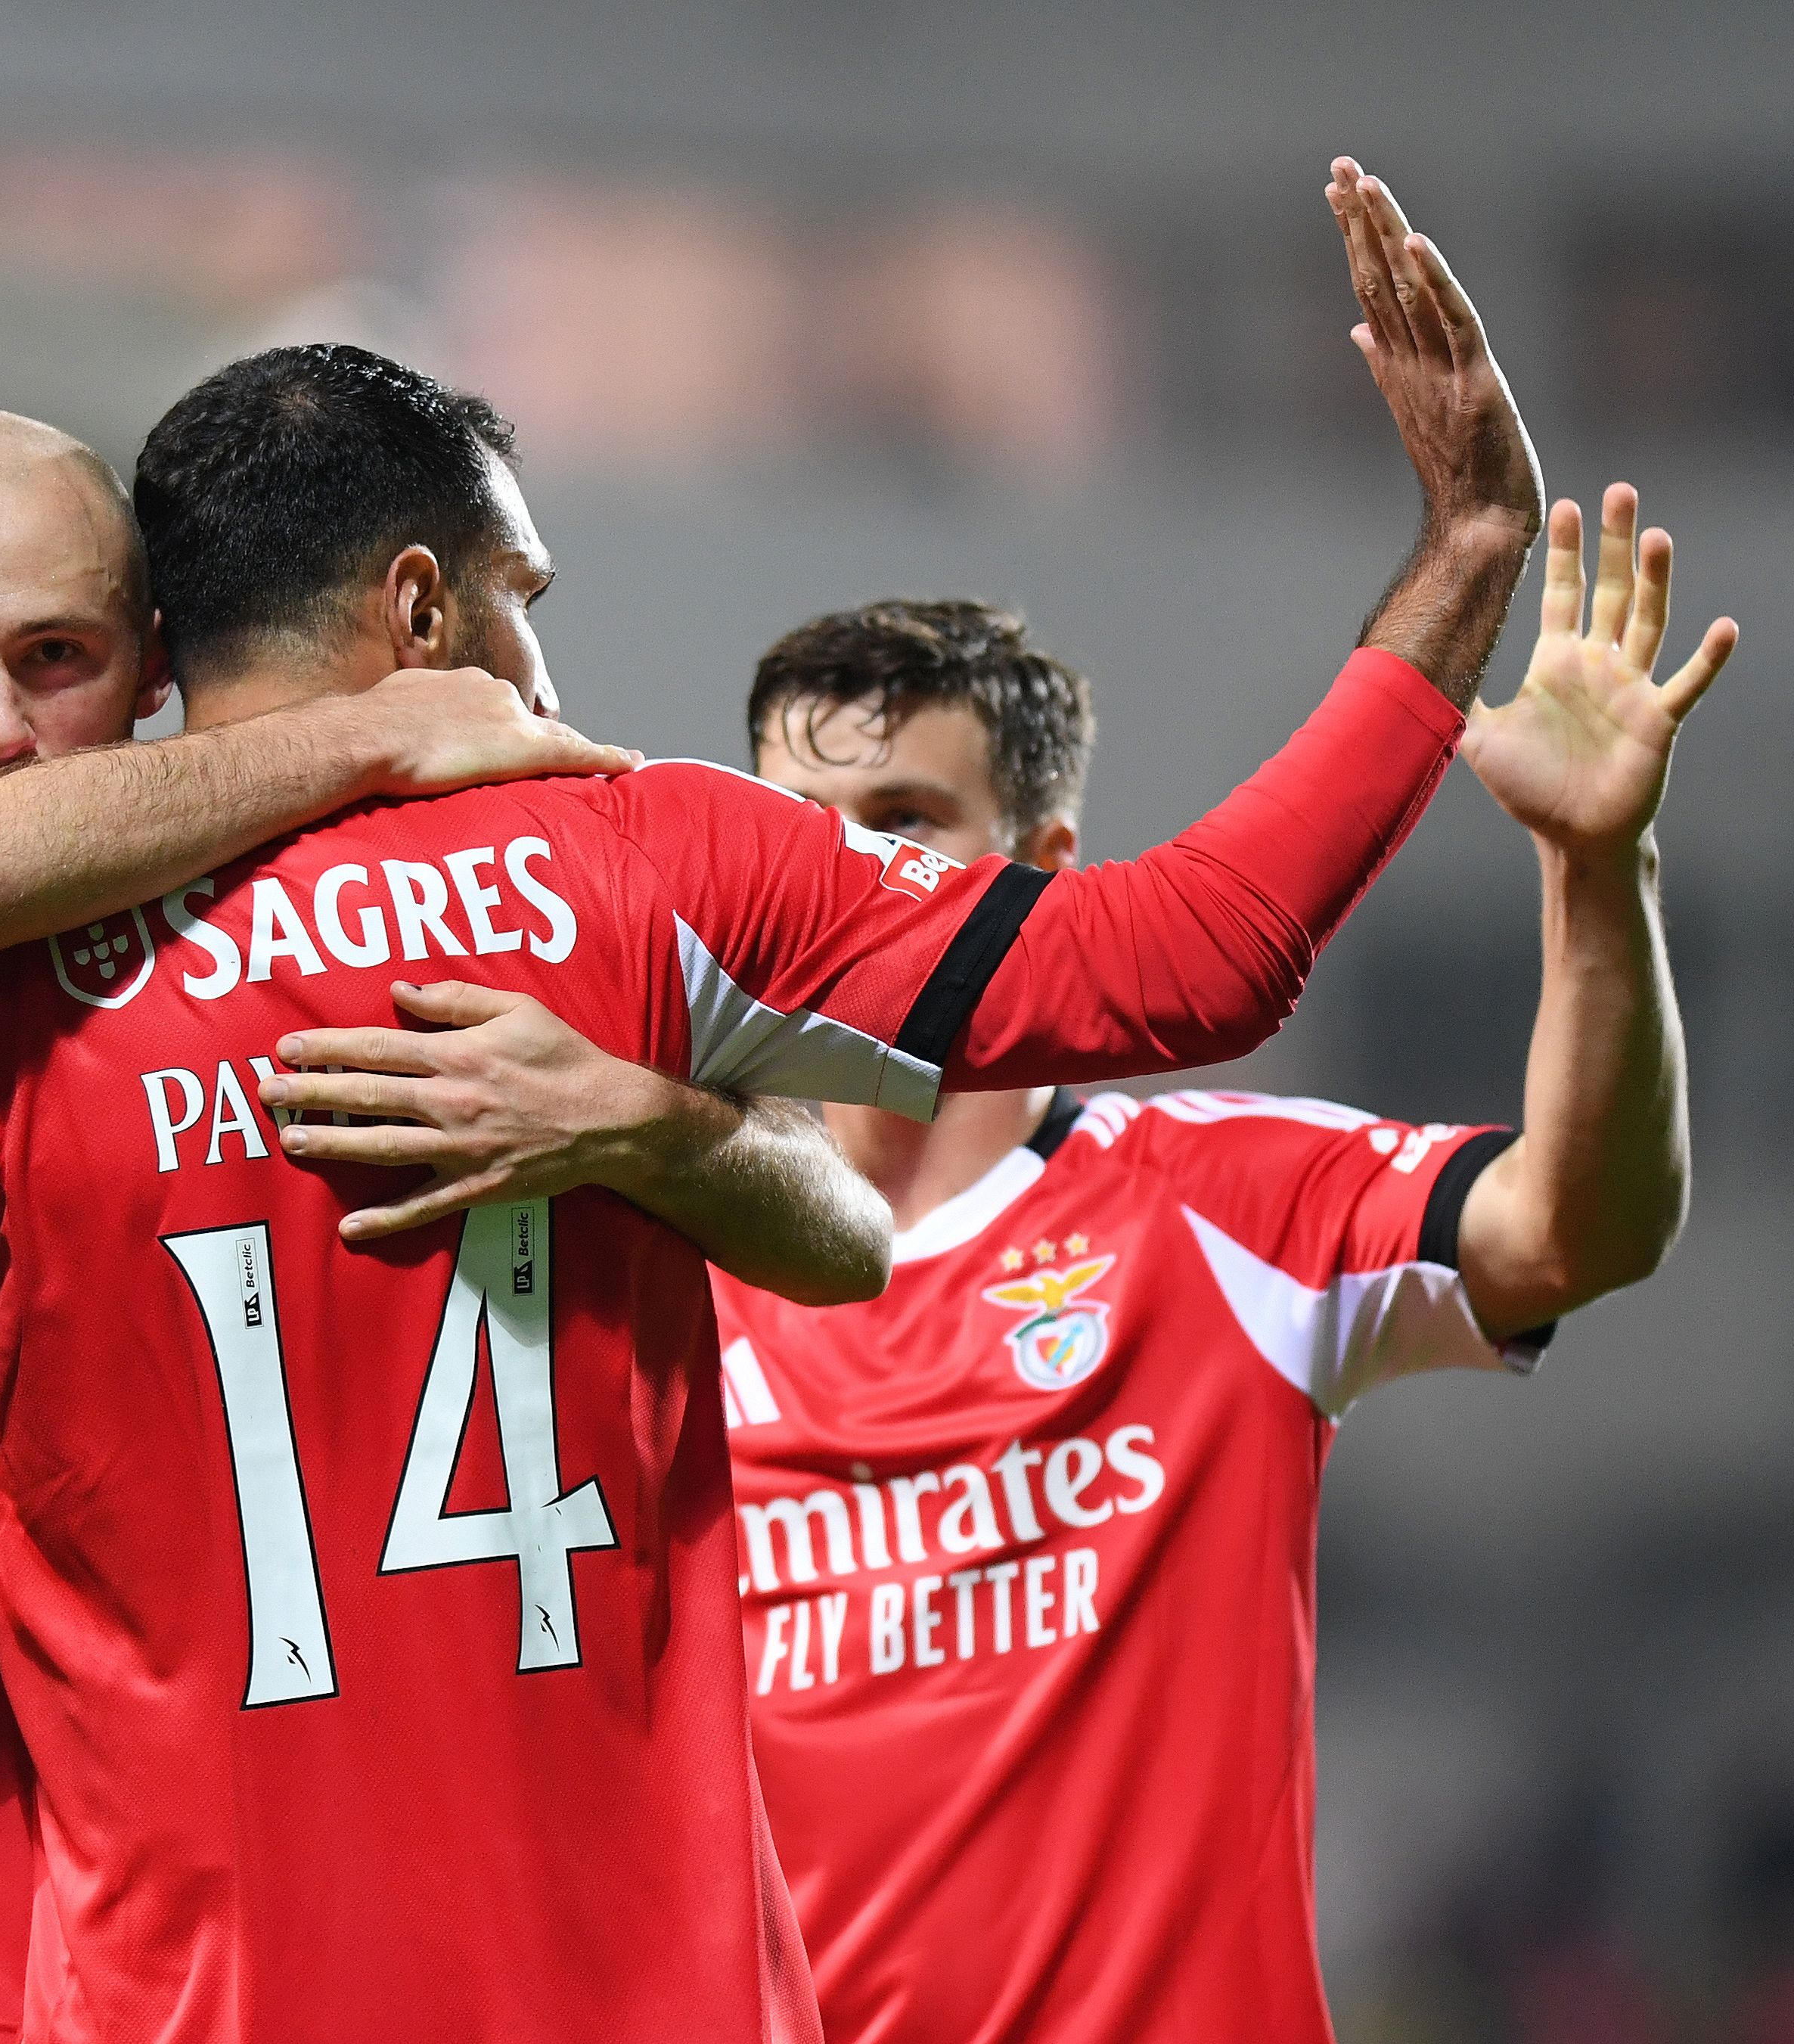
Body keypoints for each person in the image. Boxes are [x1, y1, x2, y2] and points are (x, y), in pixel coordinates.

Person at [0, 161, 1544, 2044]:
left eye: (45, 657)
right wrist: (1460, 560)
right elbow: (1194, 957)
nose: (538, 665)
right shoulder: (639, 855)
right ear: (423, 611)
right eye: (524, 599)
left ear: (152, 657)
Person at [0, 410, 891, 2044]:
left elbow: (844, 1236)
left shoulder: (287, 941)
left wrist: (652, 1125)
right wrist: (369, 734)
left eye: (55, 658)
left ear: (151, 661)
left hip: (201, 1926)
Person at [704, 477, 1727, 2044]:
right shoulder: (669, 1268)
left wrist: (1598, 870)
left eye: (902, 825)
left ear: (1043, 865)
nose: (843, 879)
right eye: (798, 825)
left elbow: (1577, 1228)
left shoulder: (1222, 1206)